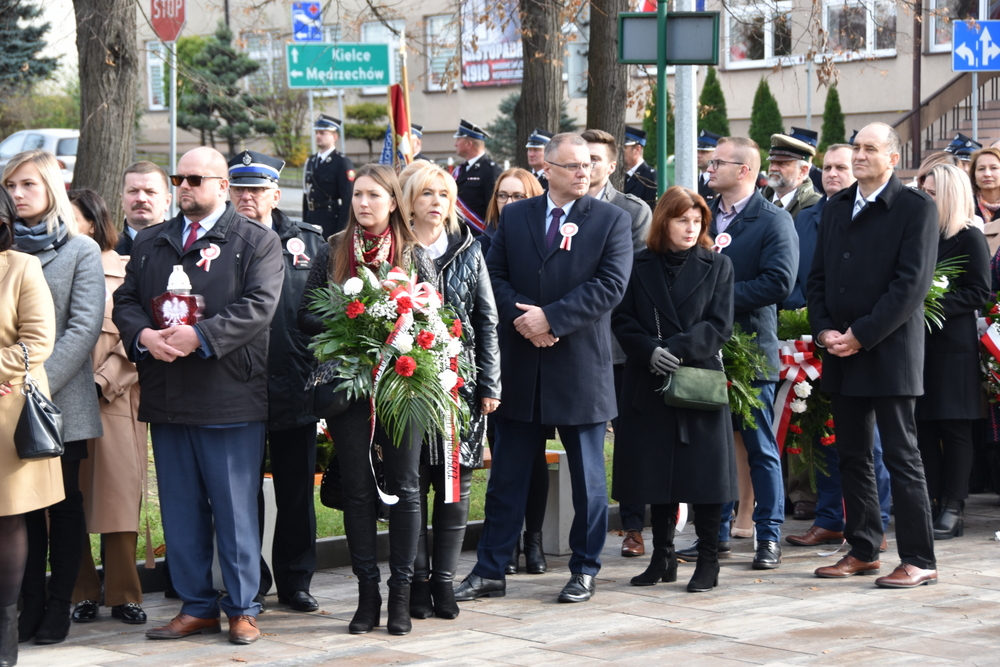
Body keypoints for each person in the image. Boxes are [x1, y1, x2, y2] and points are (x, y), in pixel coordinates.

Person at [113, 146, 284, 644]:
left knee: (233, 511)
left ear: (222, 187)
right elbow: (126, 301)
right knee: (180, 508)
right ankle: (196, 605)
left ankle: (243, 608)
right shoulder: (151, 242)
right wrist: (143, 336)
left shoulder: (255, 241)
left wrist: (201, 337)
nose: (185, 187)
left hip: (228, 396)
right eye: (179, 178)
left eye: (196, 179)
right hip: (168, 394)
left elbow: (259, 306)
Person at [454, 132, 633, 604]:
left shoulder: (612, 220)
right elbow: (492, 276)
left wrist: (551, 318)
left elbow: (610, 285)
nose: (583, 172)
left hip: (579, 368)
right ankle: (491, 569)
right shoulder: (516, 216)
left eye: (589, 165)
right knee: (508, 477)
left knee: (590, 482)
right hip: (524, 366)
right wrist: (526, 318)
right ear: (547, 169)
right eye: (572, 165)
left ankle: (585, 569)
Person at [807, 122, 939, 588]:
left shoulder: (915, 207)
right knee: (852, 455)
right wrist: (824, 331)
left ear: (892, 158)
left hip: (889, 351)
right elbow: (818, 277)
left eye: (869, 149)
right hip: (840, 351)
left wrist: (861, 334)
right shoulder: (837, 205)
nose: (859, 156)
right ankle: (863, 549)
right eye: (855, 148)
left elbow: (910, 285)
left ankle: (920, 559)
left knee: (902, 457)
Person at [297, 163, 423, 636]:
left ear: (393, 202)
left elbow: (435, 315)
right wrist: (352, 325)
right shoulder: (332, 250)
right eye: (357, 196)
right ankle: (366, 595)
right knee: (357, 487)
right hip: (348, 386)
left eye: (374, 195)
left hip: (401, 383)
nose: (363, 204)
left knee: (406, 487)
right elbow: (304, 318)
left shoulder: (413, 253)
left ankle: (401, 597)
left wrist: (396, 322)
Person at [677, 137, 797, 570]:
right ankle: (716, 534)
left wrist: (717, 297)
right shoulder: (705, 216)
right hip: (707, 350)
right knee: (715, 449)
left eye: (718, 162)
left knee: (760, 448)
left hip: (750, 350)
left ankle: (768, 536)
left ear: (745, 170)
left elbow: (778, 283)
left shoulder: (773, 220)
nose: (709, 167)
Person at [612, 185, 737, 593]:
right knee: (655, 474)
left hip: (697, 382)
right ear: (664, 220)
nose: (690, 227)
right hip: (649, 381)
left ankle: (707, 561)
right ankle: (662, 556)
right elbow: (623, 320)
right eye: (682, 219)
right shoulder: (638, 263)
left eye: (697, 220)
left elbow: (718, 325)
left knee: (704, 476)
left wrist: (675, 349)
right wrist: (649, 351)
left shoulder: (718, 266)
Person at [4, 150, 105, 646]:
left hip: (56, 404)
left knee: (63, 507)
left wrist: (30, 384)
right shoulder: (5, 250)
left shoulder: (80, 250)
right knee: (20, 511)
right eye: (11, 186)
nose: (18, 194)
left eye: (27, 185)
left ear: (50, 189)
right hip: (5, 403)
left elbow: (83, 330)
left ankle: (60, 605)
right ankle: (30, 604)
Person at [400, 162, 501, 621]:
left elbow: (487, 320)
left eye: (444, 193)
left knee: (454, 483)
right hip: (405, 385)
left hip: (460, 389)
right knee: (412, 484)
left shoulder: (469, 248)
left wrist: (490, 384)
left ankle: (444, 584)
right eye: (427, 194)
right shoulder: (394, 250)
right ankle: (417, 583)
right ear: (408, 201)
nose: (437, 202)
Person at [228, 150, 326, 613]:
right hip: (235, 387)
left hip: (294, 383)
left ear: (274, 193)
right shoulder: (218, 243)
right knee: (242, 494)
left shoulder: (307, 242)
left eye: (256, 189)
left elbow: (325, 313)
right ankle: (253, 582)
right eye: (239, 188)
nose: (246, 197)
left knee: (295, 493)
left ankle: (296, 581)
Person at [783, 146, 893, 550]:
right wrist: (818, 327)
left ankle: (874, 520)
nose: (832, 174)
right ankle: (830, 517)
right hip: (817, 336)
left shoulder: (878, 215)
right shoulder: (812, 216)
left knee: (870, 442)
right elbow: (806, 279)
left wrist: (856, 332)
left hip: (867, 341)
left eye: (841, 167)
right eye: (827, 168)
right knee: (822, 434)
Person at [66, 190, 148, 627]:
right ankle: (81, 592)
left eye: (70, 217)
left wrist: (103, 382)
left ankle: (124, 594)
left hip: (112, 399)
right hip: (60, 401)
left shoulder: (126, 271)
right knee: (67, 501)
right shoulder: (48, 267)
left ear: (93, 224)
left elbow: (137, 338)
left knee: (117, 500)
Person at [581, 128, 652, 557]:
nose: (585, 166)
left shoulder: (632, 211)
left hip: (618, 346)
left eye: (594, 159)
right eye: (579, 157)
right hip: (570, 344)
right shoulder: (557, 209)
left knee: (628, 439)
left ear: (611, 166)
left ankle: (633, 526)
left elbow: (627, 281)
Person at [0, 185, 60, 667]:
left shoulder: (22, 267)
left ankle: (5, 631)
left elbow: (37, 341)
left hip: (7, 411)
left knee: (6, 519)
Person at [915, 164, 991, 540]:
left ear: (947, 195)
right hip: (919, 346)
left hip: (953, 347)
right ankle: (928, 500)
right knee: (924, 425)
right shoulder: (919, 234)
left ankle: (954, 506)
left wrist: (930, 303)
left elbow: (980, 291)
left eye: (930, 193)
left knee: (954, 427)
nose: (924, 198)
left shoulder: (967, 237)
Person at [480, 167, 547, 574]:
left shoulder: (542, 238)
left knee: (535, 456)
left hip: (538, 352)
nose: (510, 203)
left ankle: (533, 540)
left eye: (519, 196)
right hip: (498, 360)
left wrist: (536, 323)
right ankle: (501, 543)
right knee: (505, 456)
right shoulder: (483, 241)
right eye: (503, 196)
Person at [303, 115, 356, 238]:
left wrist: (342, 231)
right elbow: (306, 195)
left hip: (332, 221)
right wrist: (304, 223)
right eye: (316, 133)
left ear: (334, 137)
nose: (318, 136)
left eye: (322, 133)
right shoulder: (311, 161)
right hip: (311, 219)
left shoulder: (342, 162)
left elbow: (348, 199)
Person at [480, 167, 543, 259]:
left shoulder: (548, 243)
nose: (508, 203)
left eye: (518, 196)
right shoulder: (480, 246)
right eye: (502, 195)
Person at [760, 132, 822, 220]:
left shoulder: (816, 207)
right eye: (772, 163)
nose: (773, 168)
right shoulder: (758, 201)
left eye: (782, 163)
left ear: (802, 171)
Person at [116, 161, 172, 256]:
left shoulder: (181, 249)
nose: (141, 199)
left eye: (150, 191)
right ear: (122, 200)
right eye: (133, 191)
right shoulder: (106, 251)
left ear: (167, 202)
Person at [453, 119, 502, 225]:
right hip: (460, 233)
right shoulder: (461, 169)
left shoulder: (491, 170)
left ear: (468, 144)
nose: (455, 144)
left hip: (479, 233)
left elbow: (494, 210)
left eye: (458, 140)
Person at [969, 148, 1000, 256]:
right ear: (974, 176)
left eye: (994, 168)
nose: (987, 174)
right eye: (981, 169)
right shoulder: (964, 206)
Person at [623, 126, 658, 209]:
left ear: (637, 149)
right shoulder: (621, 175)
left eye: (624, 148)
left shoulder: (650, 178)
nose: (619, 151)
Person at [697, 130, 722, 202]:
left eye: (704, 152)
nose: (698, 155)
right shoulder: (691, 181)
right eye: (697, 151)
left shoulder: (722, 182)